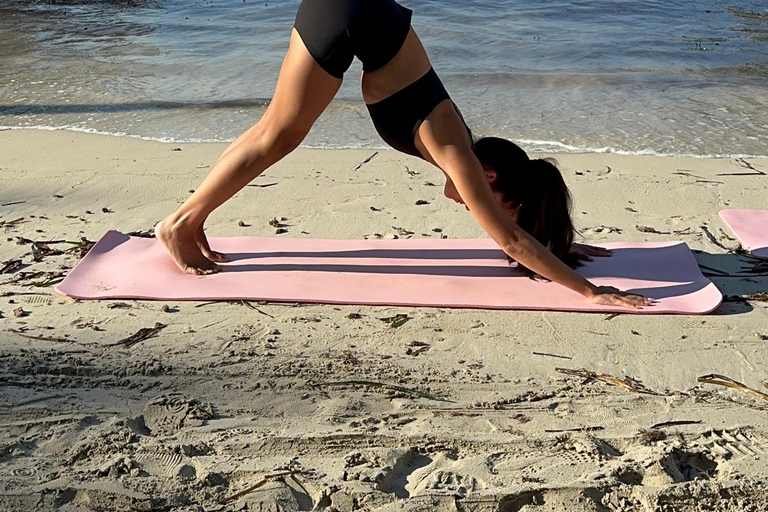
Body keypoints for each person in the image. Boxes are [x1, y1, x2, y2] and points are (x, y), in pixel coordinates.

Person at [155, 0, 651, 309]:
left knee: (276, 131)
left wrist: (559, 246)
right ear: (491, 174)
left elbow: (523, 237)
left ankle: (192, 218)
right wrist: (590, 292)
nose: (472, 204)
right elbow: (512, 244)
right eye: (496, 201)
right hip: (349, 14)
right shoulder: (459, 154)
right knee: (279, 135)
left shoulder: (461, 146)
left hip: (355, 14)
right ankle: (180, 223)